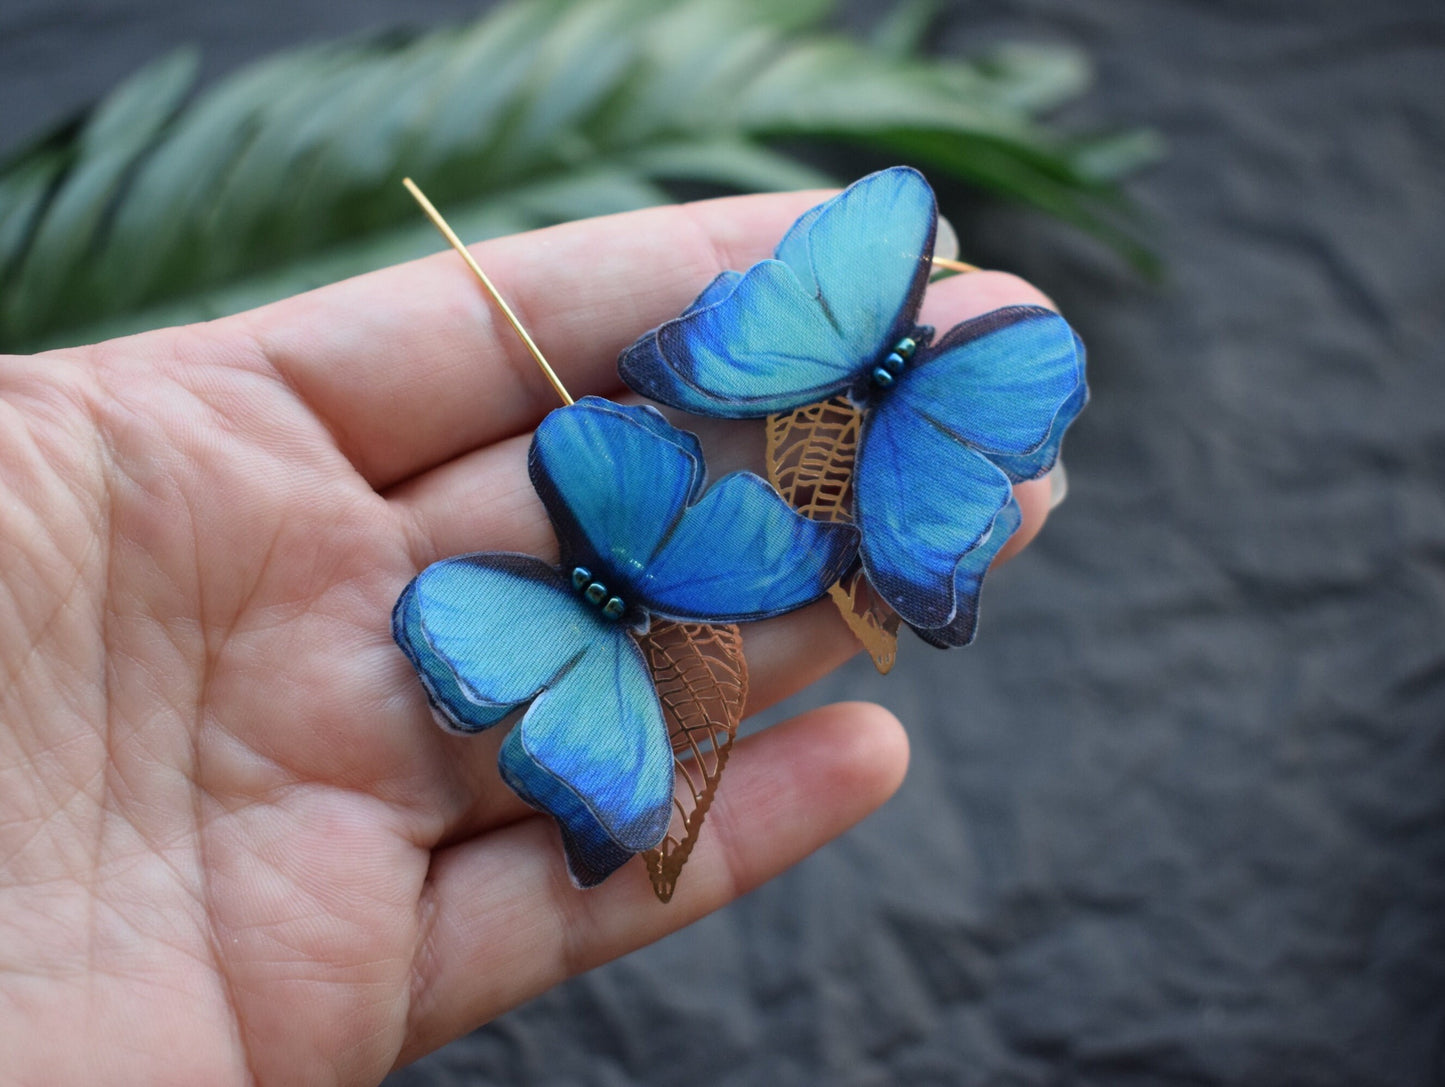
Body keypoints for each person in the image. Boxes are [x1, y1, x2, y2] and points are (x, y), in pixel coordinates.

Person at [0, 189, 1059, 1083]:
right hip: (637, 539)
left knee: (738, 479)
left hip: (620, 527)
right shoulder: (705, 559)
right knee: (716, 500)